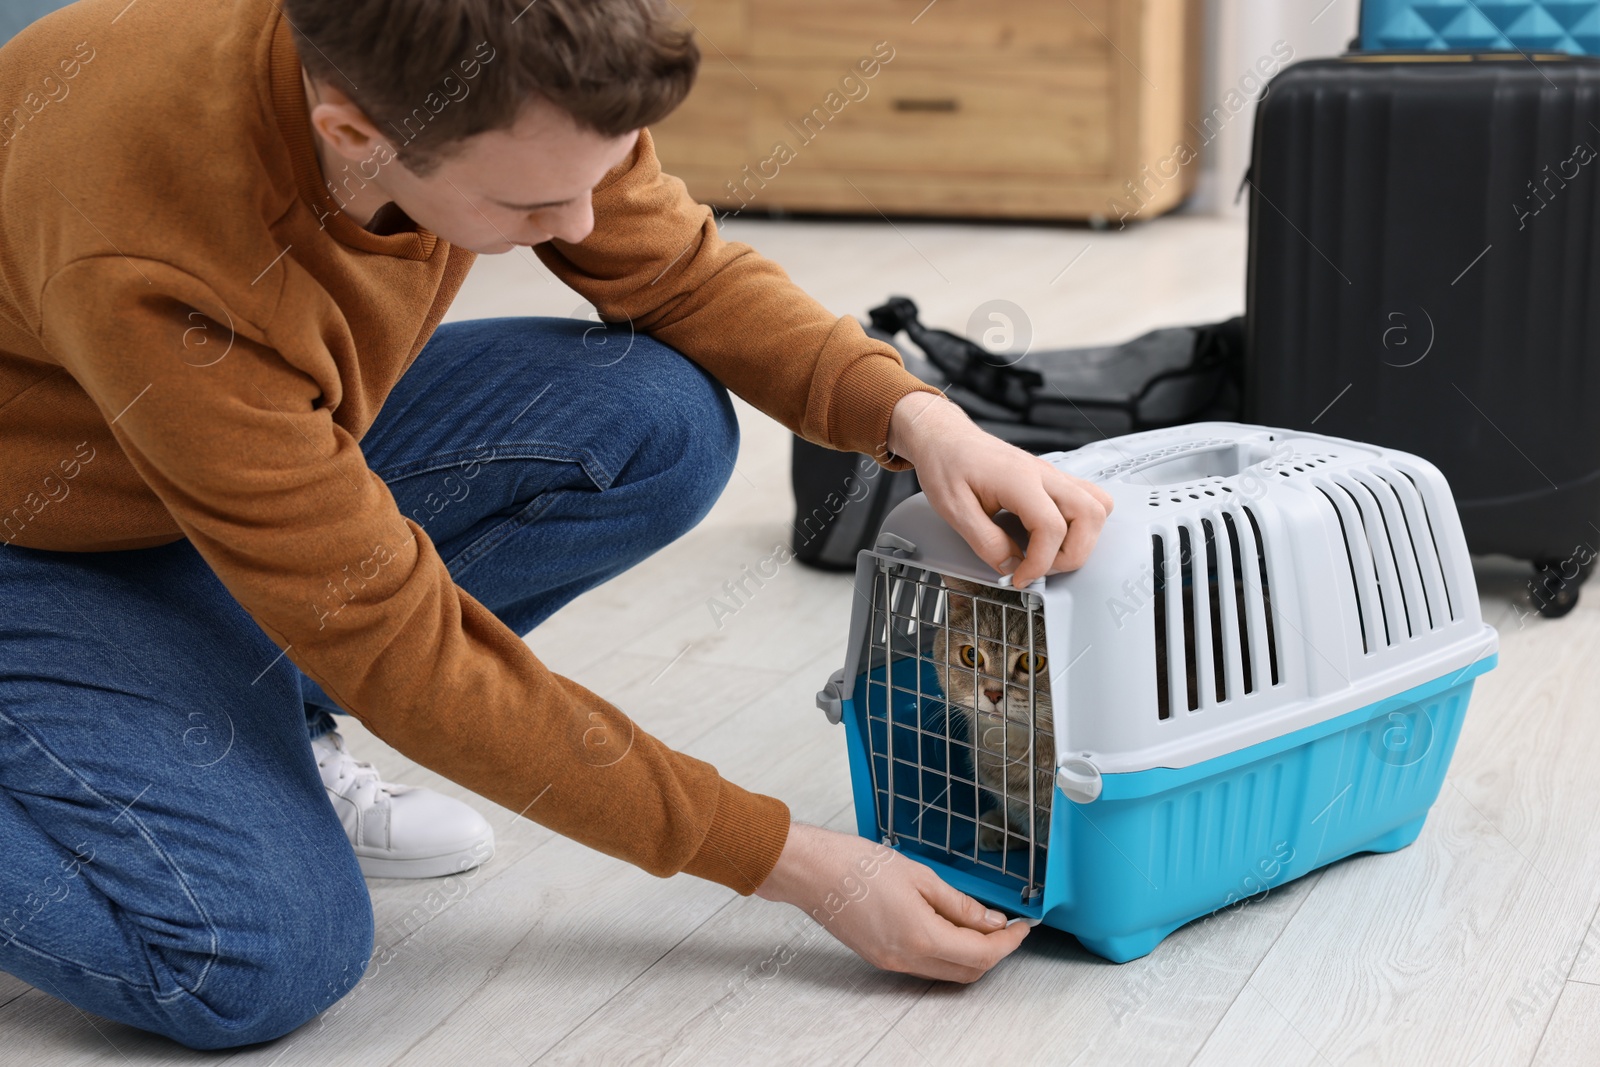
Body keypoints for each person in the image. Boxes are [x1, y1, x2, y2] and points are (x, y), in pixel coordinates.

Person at [0, 0, 1112, 1049]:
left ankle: (255, 708)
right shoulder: (157, 247)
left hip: (219, 461)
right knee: (256, 957)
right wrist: (790, 860)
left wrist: (921, 421)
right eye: (530, 209)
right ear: (354, 134)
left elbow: (671, 267)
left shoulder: (499, 53)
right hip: (37, 539)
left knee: (654, 415)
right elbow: (403, 648)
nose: (578, 228)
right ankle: (175, 706)